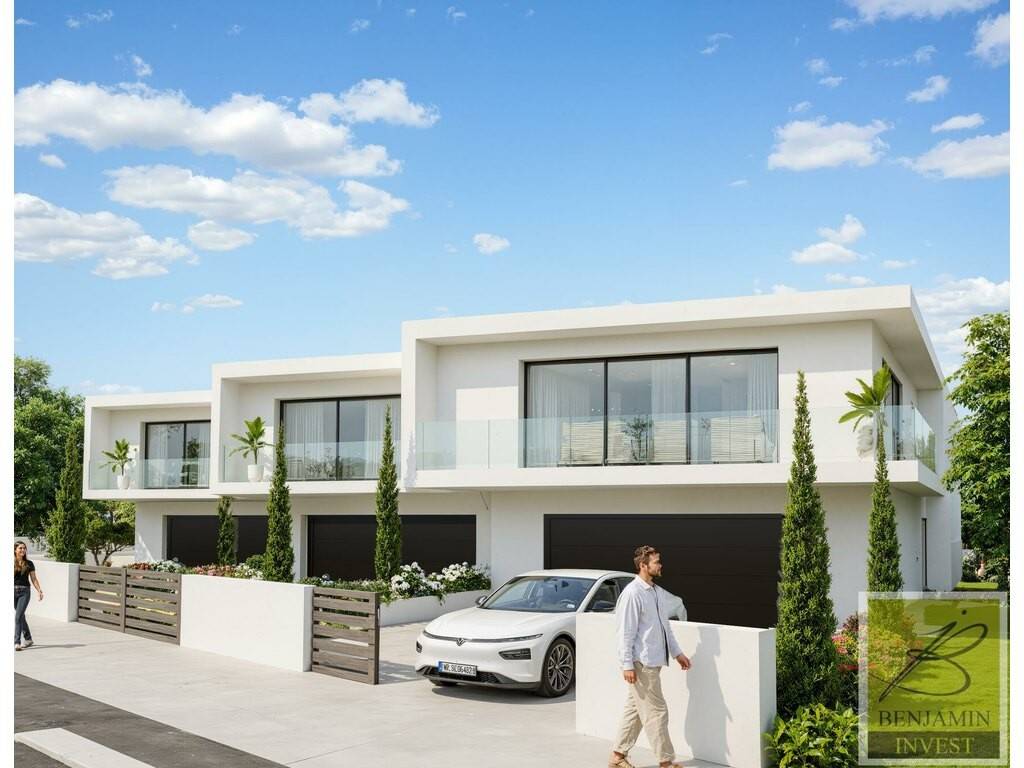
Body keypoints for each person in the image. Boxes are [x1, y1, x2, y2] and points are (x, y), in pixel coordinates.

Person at [609, 545, 691, 768]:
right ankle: (666, 762)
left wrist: (677, 653)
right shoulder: (632, 594)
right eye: (656, 562)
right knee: (657, 712)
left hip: (653, 662)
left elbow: (665, 627)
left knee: (635, 711)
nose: (660, 565)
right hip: (641, 663)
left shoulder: (655, 592)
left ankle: (617, 756)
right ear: (644, 566)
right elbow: (625, 633)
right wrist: (627, 664)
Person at [15, 540, 43, 650]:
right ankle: (28, 639)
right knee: (21, 616)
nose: (23, 550)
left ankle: (16, 642)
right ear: (15, 550)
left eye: (24, 548)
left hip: (24, 592)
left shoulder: (29, 563)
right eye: (20, 548)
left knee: (18, 616)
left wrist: (39, 590)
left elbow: (34, 579)